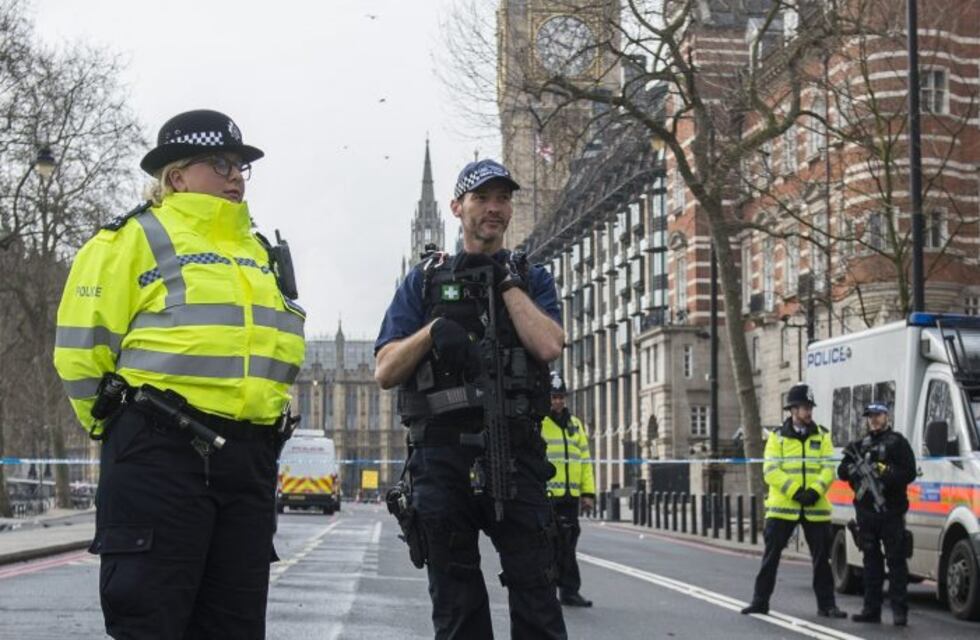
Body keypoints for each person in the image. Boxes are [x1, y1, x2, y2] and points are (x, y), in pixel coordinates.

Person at [53, 109, 306, 639]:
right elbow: (81, 355)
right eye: (220, 164)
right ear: (175, 177)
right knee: (152, 623)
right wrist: (121, 432)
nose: (236, 176)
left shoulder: (259, 252)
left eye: (240, 165)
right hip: (160, 457)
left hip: (248, 463)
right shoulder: (127, 242)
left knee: (233, 628)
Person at [374, 158, 567, 639]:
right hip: (441, 459)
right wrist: (433, 332)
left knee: (538, 598)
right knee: (457, 608)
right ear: (457, 207)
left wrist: (505, 283)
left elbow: (548, 345)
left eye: (503, 199)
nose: (494, 209)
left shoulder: (531, 277)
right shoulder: (423, 280)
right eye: (482, 198)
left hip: (515, 454)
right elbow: (385, 370)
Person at [741, 383, 847, 619]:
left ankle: (827, 605)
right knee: (771, 556)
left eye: (810, 407)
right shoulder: (777, 438)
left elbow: (829, 468)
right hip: (783, 507)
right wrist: (797, 491)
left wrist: (814, 492)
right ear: (792, 409)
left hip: (815, 507)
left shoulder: (823, 434)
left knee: (822, 560)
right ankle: (760, 601)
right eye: (804, 407)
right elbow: (770, 470)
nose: (808, 411)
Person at [838, 403, 916, 626]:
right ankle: (871, 609)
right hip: (866, 513)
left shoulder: (897, 442)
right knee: (871, 563)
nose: (874, 419)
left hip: (891, 511)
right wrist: (855, 471)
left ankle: (899, 611)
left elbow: (909, 472)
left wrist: (886, 475)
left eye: (878, 415)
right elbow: (842, 471)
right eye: (870, 416)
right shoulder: (859, 445)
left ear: (886, 416)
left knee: (896, 562)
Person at [542, 370, 596, 608]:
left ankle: (569, 592)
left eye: (561, 396)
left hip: (570, 496)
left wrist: (588, 493)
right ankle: (547, 591)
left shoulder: (575, 425)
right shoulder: (540, 424)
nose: (558, 401)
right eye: (554, 396)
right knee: (548, 546)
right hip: (547, 497)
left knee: (569, 544)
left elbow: (585, 462)